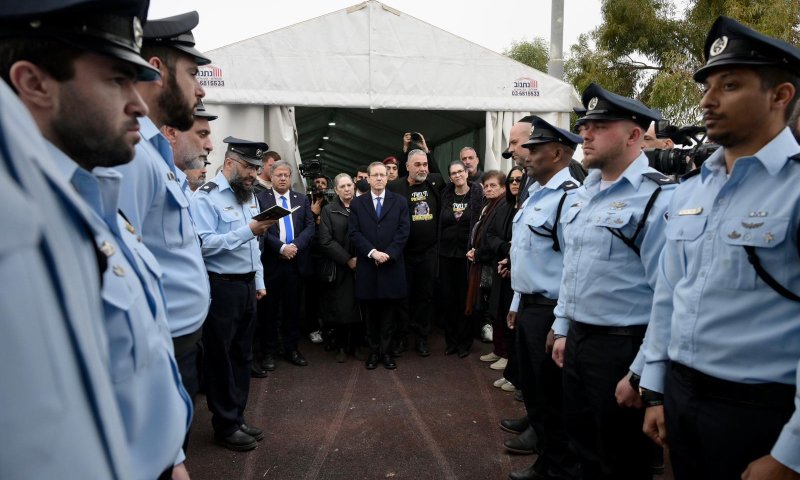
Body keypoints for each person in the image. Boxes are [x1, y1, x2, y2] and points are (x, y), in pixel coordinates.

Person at [1, 3, 194, 478]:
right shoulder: (23, 218)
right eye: (116, 81)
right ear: (33, 83)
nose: (139, 104)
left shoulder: (88, 193)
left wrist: (171, 454)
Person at [640, 16, 800, 480]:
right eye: (707, 86)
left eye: (729, 85)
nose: (707, 101)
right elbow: (670, 294)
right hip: (683, 395)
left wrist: (791, 454)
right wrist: (656, 389)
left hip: (762, 411)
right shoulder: (691, 190)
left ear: (780, 95)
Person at [549, 84, 676, 480]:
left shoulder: (657, 197)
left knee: (622, 462)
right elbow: (574, 268)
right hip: (580, 342)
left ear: (634, 135)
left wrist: (643, 372)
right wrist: (564, 327)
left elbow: (669, 295)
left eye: (599, 127)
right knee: (582, 448)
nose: (584, 134)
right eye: (584, 126)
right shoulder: (586, 192)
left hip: (623, 347)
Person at [112, 12, 210, 458]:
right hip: (160, 347)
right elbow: (120, 269)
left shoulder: (155, 152)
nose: (200, 89)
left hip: (180, 341)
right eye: (192, 73)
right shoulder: (133, 155)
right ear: (155, 69)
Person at [504, 117, 583, 480]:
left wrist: (561, 324)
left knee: (553, 400)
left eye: (535, 149)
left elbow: (573, 265)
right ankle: (546, 462)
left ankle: (560, 468)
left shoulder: (569, 198)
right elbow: (525, 256)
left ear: (557, 153)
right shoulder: (537, 193)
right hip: (530, 307)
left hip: (551, 311)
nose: (527, 155)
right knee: (534, 393)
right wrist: (516, 303)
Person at [189, 137, 274, 452]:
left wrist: (259, 280)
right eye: (248, 167)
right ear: (229, 163)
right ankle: (224, 425)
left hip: (247, 285)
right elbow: (203, 245)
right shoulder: (205, 198)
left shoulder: (249, 196)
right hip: (221, 286)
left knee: (242, 355)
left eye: (256, 168)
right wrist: (247, 230)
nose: (254, 174)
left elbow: (255, 248)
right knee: (220, 358)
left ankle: (237, 416)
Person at [349, 161, 410, 369]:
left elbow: (404, 231)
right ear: (368, 178)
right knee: (370, 314)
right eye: (375, 175)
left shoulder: (400, 202)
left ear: (387, 177)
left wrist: (389, 254)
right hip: (368, 266)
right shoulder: (357, 204)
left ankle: (387, 353)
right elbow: (354, 233)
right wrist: (373, 252)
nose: (379, 178)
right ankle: (374, 352)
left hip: (391, 266)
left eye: (382, 175)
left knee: (389, 314)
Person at [256, 160, 315, 369]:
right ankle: (269, 352)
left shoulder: (301, 199)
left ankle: (292, 349)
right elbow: (260, 228)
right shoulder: (261, 199)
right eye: (279, 175)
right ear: (271, 177)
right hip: (272, 262)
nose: (282, 178)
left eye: (286, 175)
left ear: (290, 178)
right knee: (269, 310)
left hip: (295, 263)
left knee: (293, 309)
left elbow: (310, 226)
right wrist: (281, 248)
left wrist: (294, 247)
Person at [387, 149, 445, 357]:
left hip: (428, 253)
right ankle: (402, 337)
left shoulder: (435, 183)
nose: (423, 169)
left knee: (425, 296)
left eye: (425, 164)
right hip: (403, 253)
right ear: (407, 167)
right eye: (418, 164)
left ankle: (422, 338)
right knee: (402, 297)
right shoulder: (394, 186)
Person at [485, 167, 525, 394]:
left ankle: (516, 375)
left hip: (520, 276)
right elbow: (489, 235)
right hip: (502, 269)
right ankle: (510, 370)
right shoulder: (505, 207)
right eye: (512, 180)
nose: (515, 183)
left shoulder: (528, 206)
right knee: (501, 316)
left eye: (519, 180)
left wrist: (511, 255)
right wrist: (505, 249)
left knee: (516, 325)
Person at [438, 160, 484, 357]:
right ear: (450, 177)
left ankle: (465, 342)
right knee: (448, 299)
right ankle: (451, 341)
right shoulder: (445, 196)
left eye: (460, 172)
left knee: (466, 299)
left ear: (466, 173)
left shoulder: (477, 195)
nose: (457, 175)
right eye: (453, 173)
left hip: (467, 257)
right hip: (446, 255)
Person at [318, 173, 364, 362]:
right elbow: (325, 241)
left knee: (360, 308)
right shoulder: (328, 210)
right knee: (341, 309)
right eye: (342, 186)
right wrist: (347, 259)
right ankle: (342, 347)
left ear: (354, 186)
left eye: (349, 185)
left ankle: (357, 346)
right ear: (336, 190)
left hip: (362, 265)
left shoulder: (363, 206)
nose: (347, 189)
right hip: (340, 267)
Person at [466, 170, 508, 369]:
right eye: (487, 186)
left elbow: (494, 237)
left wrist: (479, 253)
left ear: (503, 187)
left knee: (501, 310)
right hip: (487, 263)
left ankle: (505, 353)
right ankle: (498, 349)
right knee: (493, 309)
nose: (489, 189)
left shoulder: (504, 206)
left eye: (494, 185)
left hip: (499, 265)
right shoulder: (488, 205)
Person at [165, 100, 217, 194]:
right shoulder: (151, 176)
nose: (210, 146)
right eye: (202, 134)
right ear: (172, 133)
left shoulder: (182, 184)